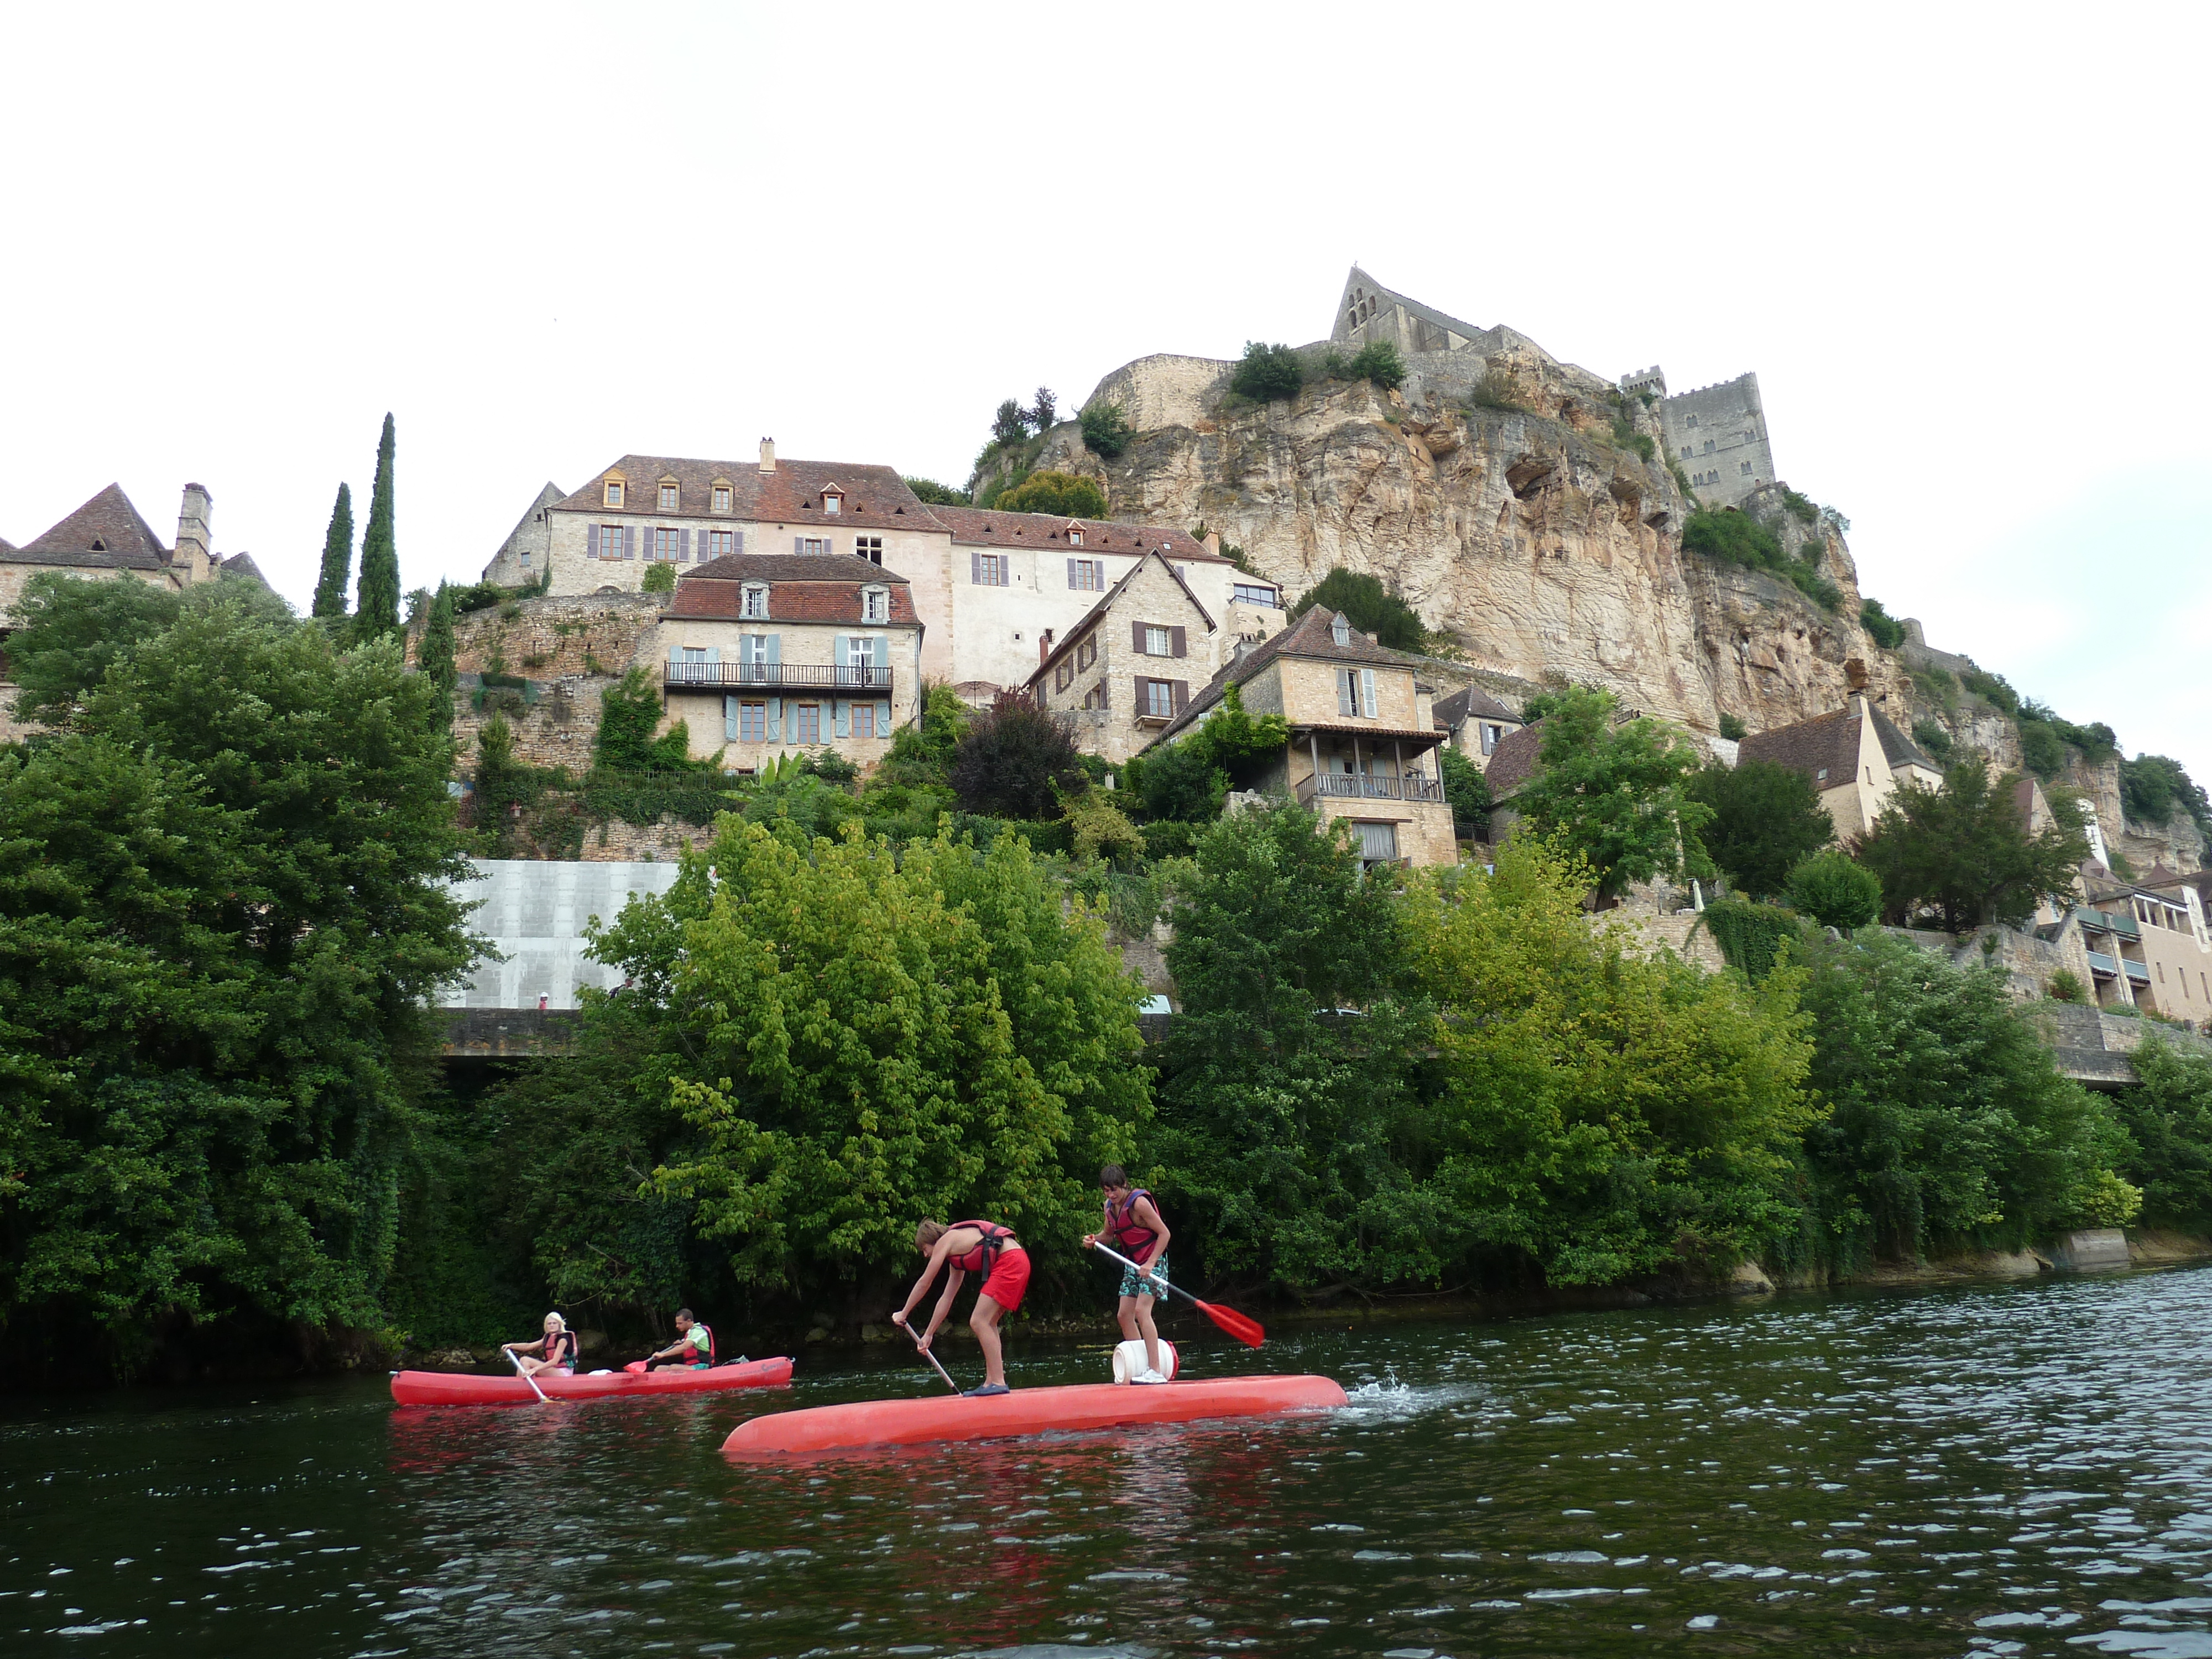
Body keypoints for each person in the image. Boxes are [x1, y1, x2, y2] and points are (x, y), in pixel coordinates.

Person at [891, 1218, 1029, 1397]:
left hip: (1011, 1262)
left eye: (925, 1250)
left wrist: (904, 1312)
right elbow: (947, 1298)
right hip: (1018, 1261)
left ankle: (997, 1382)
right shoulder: (957, 1258)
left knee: (979, 1321)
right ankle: (991, 1382)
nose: (925, 1255)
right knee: (988, 1322)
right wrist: (929, 1334)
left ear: (933, 1240)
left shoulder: (946, 1241)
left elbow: (925, 1282)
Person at [1083, 1166, 1174, 1383]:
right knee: (1124, 1315)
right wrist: (1094, 1239)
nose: (1111, 1195)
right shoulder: (1109, 1208)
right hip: (1132, 1264)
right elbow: (1108, 1234)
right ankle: (1141, 1366)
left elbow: (1165, 1234)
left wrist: (1151, 1263)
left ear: (1124, 1185)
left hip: (1154, 1261)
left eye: (1114, 1190)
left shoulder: (1139, 1204)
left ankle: (1156, 1371)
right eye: (1106, 1191)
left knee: (1142, 1311)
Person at [502, 1312, 578, 1377]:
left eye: (554, 1323)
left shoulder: (563, 1339)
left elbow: (555, 1361)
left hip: (563, 1373)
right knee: (523, 1360)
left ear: (559, 1324)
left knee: (526, 1360)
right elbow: (529, 1346)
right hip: (554, 1370)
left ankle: (520, 1387)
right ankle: (521, 1384)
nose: (552, 1325)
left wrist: (534, 1370)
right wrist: (511, 1346)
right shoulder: (548, 1337)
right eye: (549, 1324)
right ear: (546, 1326)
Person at [641, 1308, 720, 1370]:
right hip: (692, 1366)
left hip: (703, 1366)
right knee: (659, 1369)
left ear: (689, 1321)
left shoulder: (698, 1331)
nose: (677, 1326)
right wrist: (681, 1342)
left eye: (680, 1323)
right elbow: (684, 1344)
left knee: (674, 1367)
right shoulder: (690, 1333)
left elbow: (684, 1347)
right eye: (677, 1323)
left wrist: (663, 1355)